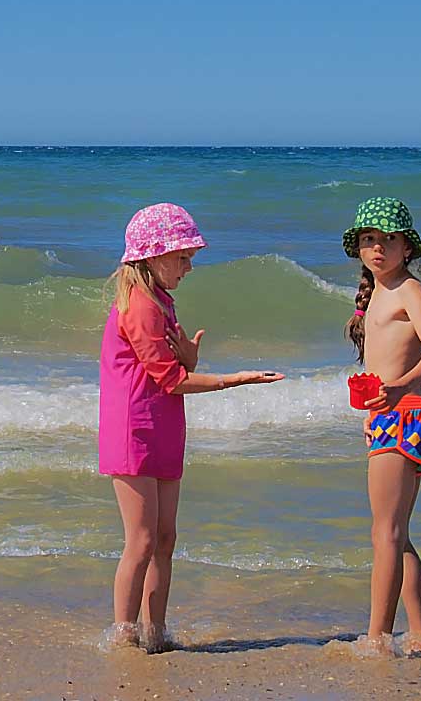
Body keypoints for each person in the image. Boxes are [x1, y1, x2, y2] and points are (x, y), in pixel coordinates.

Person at [99, 202, 284, 653]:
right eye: (182, 257)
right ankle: (125, 635)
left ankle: (155, 632)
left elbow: (177, 367)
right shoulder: (140, 306)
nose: (188, 267)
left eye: (190, 258)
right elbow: (172, 380)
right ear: (152, 256)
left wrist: (190, 354)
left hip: (163, 423)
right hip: (135, 428)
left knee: (165, 537)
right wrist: (234, 379)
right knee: (141, 541)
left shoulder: (162, 301)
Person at [342, 197, 421, 657]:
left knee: (384, 531)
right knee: (396, 532)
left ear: (408, 248)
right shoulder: (376, 293)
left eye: (388, 239)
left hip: (406, 414)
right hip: (389, 416)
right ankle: (419, 635)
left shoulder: (408, 289)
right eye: (369, 239)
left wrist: (398, 386)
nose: (378, 247)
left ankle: (377, 637)